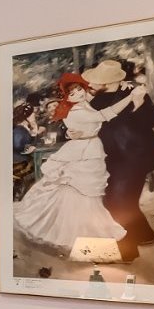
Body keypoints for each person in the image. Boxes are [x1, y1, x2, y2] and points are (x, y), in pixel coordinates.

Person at [14, 73, 146, 255]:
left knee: (86, 194)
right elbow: (106, 114)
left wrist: (122, 83)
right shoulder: (76, 111)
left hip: (89, 148)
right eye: (73, 93)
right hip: (83, 152)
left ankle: (86, 238)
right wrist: (131, 97)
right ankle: (79, 237)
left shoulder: (82, 103)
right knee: (79, 193)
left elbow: (94, 91)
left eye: (79, 89)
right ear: (67, 98)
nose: (78, 94)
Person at [83, 58, 154, 262]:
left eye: (96, 81)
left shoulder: (133, 95)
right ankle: (146, 236)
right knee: (122, 201)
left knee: (119, 203)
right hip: (113, 159)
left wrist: (139, 103)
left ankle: (126, 251)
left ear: (106, 82)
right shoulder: (95, 102)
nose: (91, 84)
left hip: (134, 159)